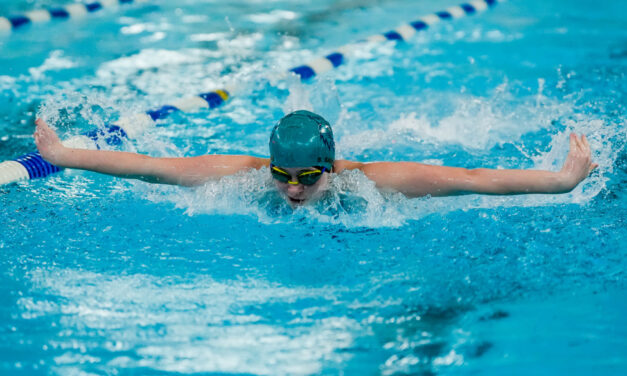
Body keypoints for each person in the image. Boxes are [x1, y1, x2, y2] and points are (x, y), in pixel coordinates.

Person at [34, 110, 597, 207]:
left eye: (307, 177)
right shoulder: (246, 175)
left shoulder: (374, 184)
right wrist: (64, 155)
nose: (293, 190)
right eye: (283, 175)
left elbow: (471, 179)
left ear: (331, 167)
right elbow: (151, 167)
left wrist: (561, 181)